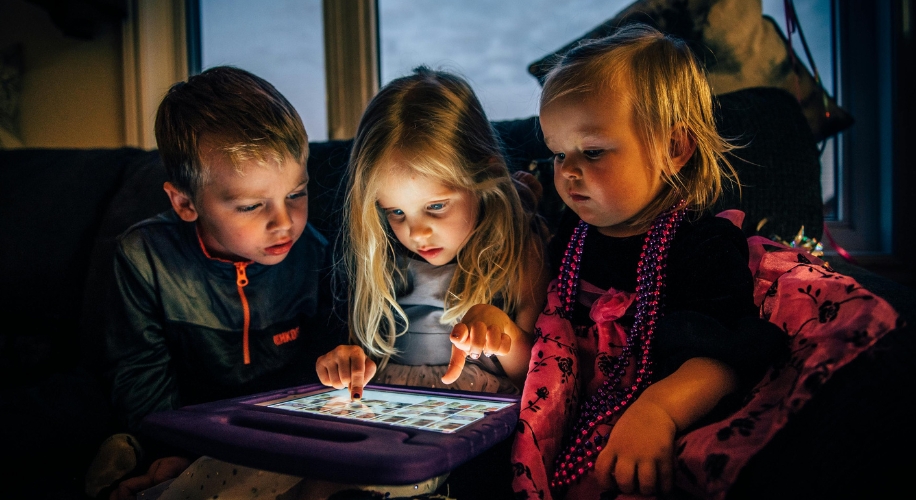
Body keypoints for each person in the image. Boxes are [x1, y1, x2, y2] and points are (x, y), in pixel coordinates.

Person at [509, 24, 790, 499]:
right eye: (558, 153)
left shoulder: (701, 243)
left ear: (674, 149)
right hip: (574, 435)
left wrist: (656, 412)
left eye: (592, 151)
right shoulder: (570, 238)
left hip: (663, 435)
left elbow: (723, 359)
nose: (569, 170)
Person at [90, 65, 346, 500]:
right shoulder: (145, 257)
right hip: (187, 420)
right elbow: (140, 375)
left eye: (296, 194)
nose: (284, 223)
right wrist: (171, 448)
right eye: (251, 206)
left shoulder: (316, 253)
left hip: (276, 426)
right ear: (185, 203)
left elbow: (323, 357)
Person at [315, 66, 551, 401]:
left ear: (484, 177)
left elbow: (541, 372)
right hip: (392, 413)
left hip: (480, 420)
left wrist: (504, 332)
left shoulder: (518, 247)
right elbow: (362, 353)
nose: (416, 232)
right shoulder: (380, 254)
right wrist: (346, 363)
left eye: (436, 206)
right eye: (396, 212)